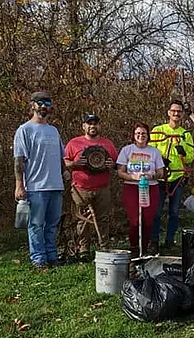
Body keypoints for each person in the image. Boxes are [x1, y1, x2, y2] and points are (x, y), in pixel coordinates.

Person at [14, 91, 65, 270]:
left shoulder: (53, 130)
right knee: (36, 224)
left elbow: (61, 157)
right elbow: (19, 159)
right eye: (40, 103)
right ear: (32, 105)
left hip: (56, 186)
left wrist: (64, 175)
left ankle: (52, 256)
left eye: (47, 103)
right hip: (35, 187)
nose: (44, 106)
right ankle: (38, 259)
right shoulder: (24, 130)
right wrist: (19, 185)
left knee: (52, 224)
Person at [63, 114, 118, 260]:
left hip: (103, 187)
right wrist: (75, 164)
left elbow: (118, 164)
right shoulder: (74, 143)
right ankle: (84, 250)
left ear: (99, 126)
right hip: (81, 188)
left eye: (95, 124)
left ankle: (103, 247)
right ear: (84, 126)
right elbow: (65, 162)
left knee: (103, 218)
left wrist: (112, 165)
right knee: (82, 219)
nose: (92, 126)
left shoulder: (108, 144)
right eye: (89, 124)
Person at [150, 100, 194, 253]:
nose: (176, 114)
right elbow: (150, 151)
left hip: (178, 178)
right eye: (174, 111)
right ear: (169, 112)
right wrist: (159, 160)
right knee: (156, 211)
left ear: (182, 114)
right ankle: (154, 241)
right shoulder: (158, 130)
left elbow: (190, 157)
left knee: (174, 211)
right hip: (160, 177)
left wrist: (183, 153)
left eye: (179, 111)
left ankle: (170, 240)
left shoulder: (185, 134)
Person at [117, 123, 165, 255]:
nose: (141, 136)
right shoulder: (127, 150)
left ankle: (144, 248)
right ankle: (134, 246)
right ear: (134, 135)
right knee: (134, 220)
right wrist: (133, 176)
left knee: (148, 220)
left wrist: (152, 175)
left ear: (148, 135)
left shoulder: (154, 151)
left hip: (150, 187)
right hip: (132, 188)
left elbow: (161, 172)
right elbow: (120, 172)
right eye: (138, 133)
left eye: (143, 133)